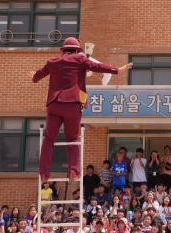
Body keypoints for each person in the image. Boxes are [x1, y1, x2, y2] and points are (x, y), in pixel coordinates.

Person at [29, 37, 131, 180]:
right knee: (72, 139)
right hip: (72, 104)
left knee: (49, 139)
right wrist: (117, 69)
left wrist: (34, 77)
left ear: (63, 50)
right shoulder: (80, 59)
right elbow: (97, 67)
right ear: (77, 50)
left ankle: (44, 172)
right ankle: (73, 170)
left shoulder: (52, 62)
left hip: (54, 104)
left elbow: (37, 76)